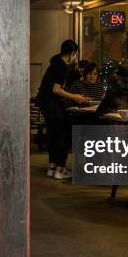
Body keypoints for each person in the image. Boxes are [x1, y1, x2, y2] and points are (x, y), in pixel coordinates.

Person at [35, 40, 88, 179]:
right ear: (72, 53)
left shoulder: (55, 63)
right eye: (75, 54)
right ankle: (60, 169)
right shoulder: (64, 67)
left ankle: (52, 167)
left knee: (53, 135)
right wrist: (75, 97)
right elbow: (56, 89)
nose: (75, 57)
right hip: (52, 104)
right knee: (62, 135)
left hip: (44, 103)